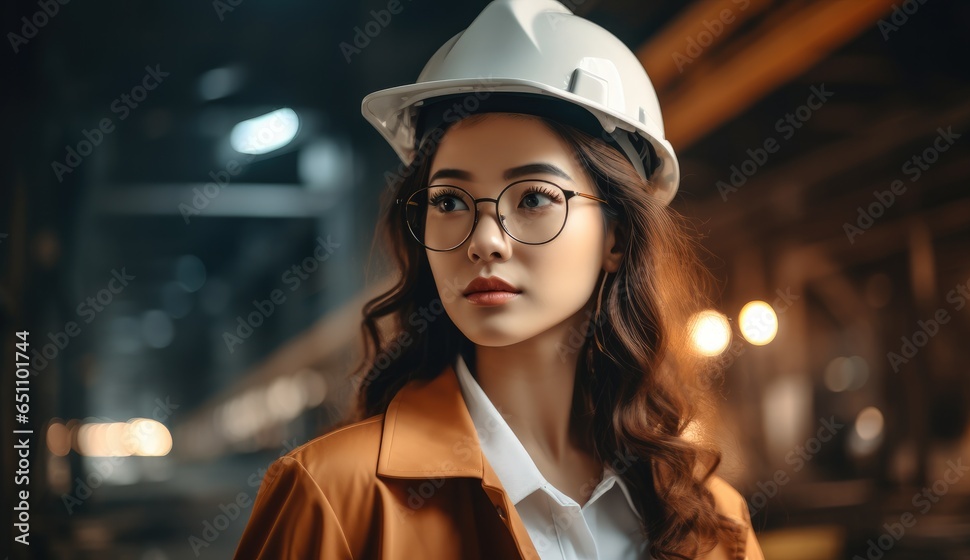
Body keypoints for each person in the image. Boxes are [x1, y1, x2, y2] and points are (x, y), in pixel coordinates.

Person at [233, 0, 765, 558]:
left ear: (618, 237)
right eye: (449, 200)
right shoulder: (333, 500)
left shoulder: (712, 523)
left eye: (534, 196)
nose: (483, 238)